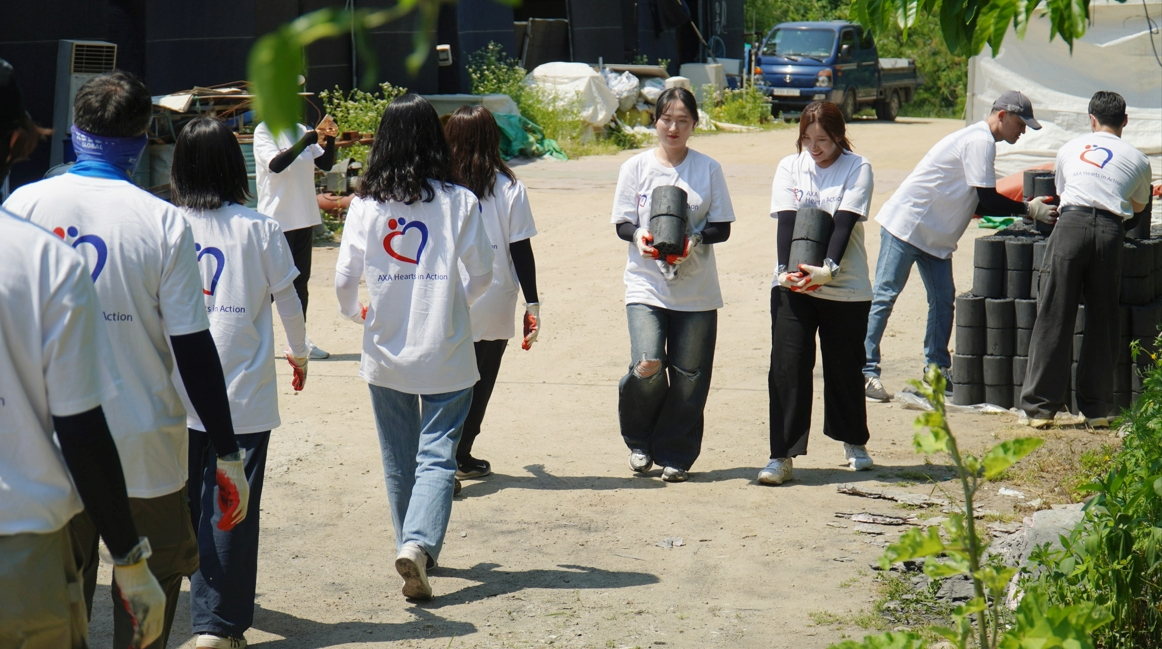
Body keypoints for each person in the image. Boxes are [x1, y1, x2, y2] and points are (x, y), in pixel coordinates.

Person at [3, 70, 249, 649]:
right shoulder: (162, 220)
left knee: (68, 606)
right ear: (143, 138)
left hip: (53, 454)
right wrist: (227, 449)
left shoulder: (23, 205)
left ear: (73, 133)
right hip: (146, 447)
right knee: (148, 603)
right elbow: (193, 346)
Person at [0, 56, 167, 649]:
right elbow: (78, 424)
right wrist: (128, 556)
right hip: (20, 536)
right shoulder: (41, 256)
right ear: (19, 139)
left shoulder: (28, 211)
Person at [334, 94, 493, 600]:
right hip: (444, 349)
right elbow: (483, 273)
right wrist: (454, 303)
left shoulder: (364, 204)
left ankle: (412, 544)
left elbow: (344, 279)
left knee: (398, 456)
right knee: (438, 453)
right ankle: (418, 546)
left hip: (384, 352)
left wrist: (354, 312)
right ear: (433, 140)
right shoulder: (460, 201)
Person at [170, 117, 312, 648]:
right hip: (242, 397)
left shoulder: (165, 224)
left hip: (174, 393)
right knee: (230, 505)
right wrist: (298, 354)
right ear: (237, 166)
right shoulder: (259, 228)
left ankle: (178, 610)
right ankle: (217, 628)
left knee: (180, 503)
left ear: (180, 169)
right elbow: (288, 302)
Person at [862, 91, 1056, 401]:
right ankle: (865, 371)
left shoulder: (982, 142)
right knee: (885, 295)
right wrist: (1029, 209)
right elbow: (987, 199)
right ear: (1002, 116)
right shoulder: (979, 141)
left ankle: (936, 371)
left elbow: (977, 201)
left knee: (943, 300)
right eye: (1020, 124)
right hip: (907, 226)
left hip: (935, 236)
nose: (1022, 132)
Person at [610, 86, 735, 483]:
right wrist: (638, 238)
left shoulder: (708, 168)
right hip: (646, 285)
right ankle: (640, 441)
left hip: (696, 289)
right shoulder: (635, 167)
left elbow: (722, 226)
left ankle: (676, 454)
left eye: (683, 120)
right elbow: (622, 222)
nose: (674, 127)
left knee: (689, 376)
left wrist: (694, 240)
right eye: (667, 119)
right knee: (647, 364)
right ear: (655, 121)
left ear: (695, 124)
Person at [1019, 91, 1153, 428]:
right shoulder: (1139, 160)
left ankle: (1040, 410)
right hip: (1110, 233)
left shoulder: (1068, 149)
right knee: (1103, 320)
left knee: (1054, 314)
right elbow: (1137, 209)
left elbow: (1064, 195)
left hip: (1071, 227)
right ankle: (1096, 411)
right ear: (1124, 121)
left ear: (1091, 119)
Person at [762, 101, 876, 485]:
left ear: (839, 136)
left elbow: (844, 222)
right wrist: (784, 272)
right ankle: (782, 455)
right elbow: (787, 221)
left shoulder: (857, 167)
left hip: (844, 287)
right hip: (795, 285)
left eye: (823, 139)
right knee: (787, 368)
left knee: (844, 367)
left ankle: (853, 441)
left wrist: (828, 270)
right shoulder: (789, 166)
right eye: (807, 139)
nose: (814, 147)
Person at [443, 104, 540, 479]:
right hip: (496, 295)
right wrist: (533, 302)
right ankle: (460, 452)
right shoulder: (510, 187)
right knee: (481, 382)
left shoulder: (440, 187)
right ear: (492, 138)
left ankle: (443, 459)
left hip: (449, 293)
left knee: (447, 381)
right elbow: (520, 248)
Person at [253, 107, 337, 359]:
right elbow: (276, 165)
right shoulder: (264, 131)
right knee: (268, 285)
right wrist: (304, 143)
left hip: (303, 217)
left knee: (300, 283)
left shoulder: (300, 130)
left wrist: (330, 137)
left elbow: (325, 163)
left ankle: (299, 343)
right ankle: (252, 337)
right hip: (276, 219)